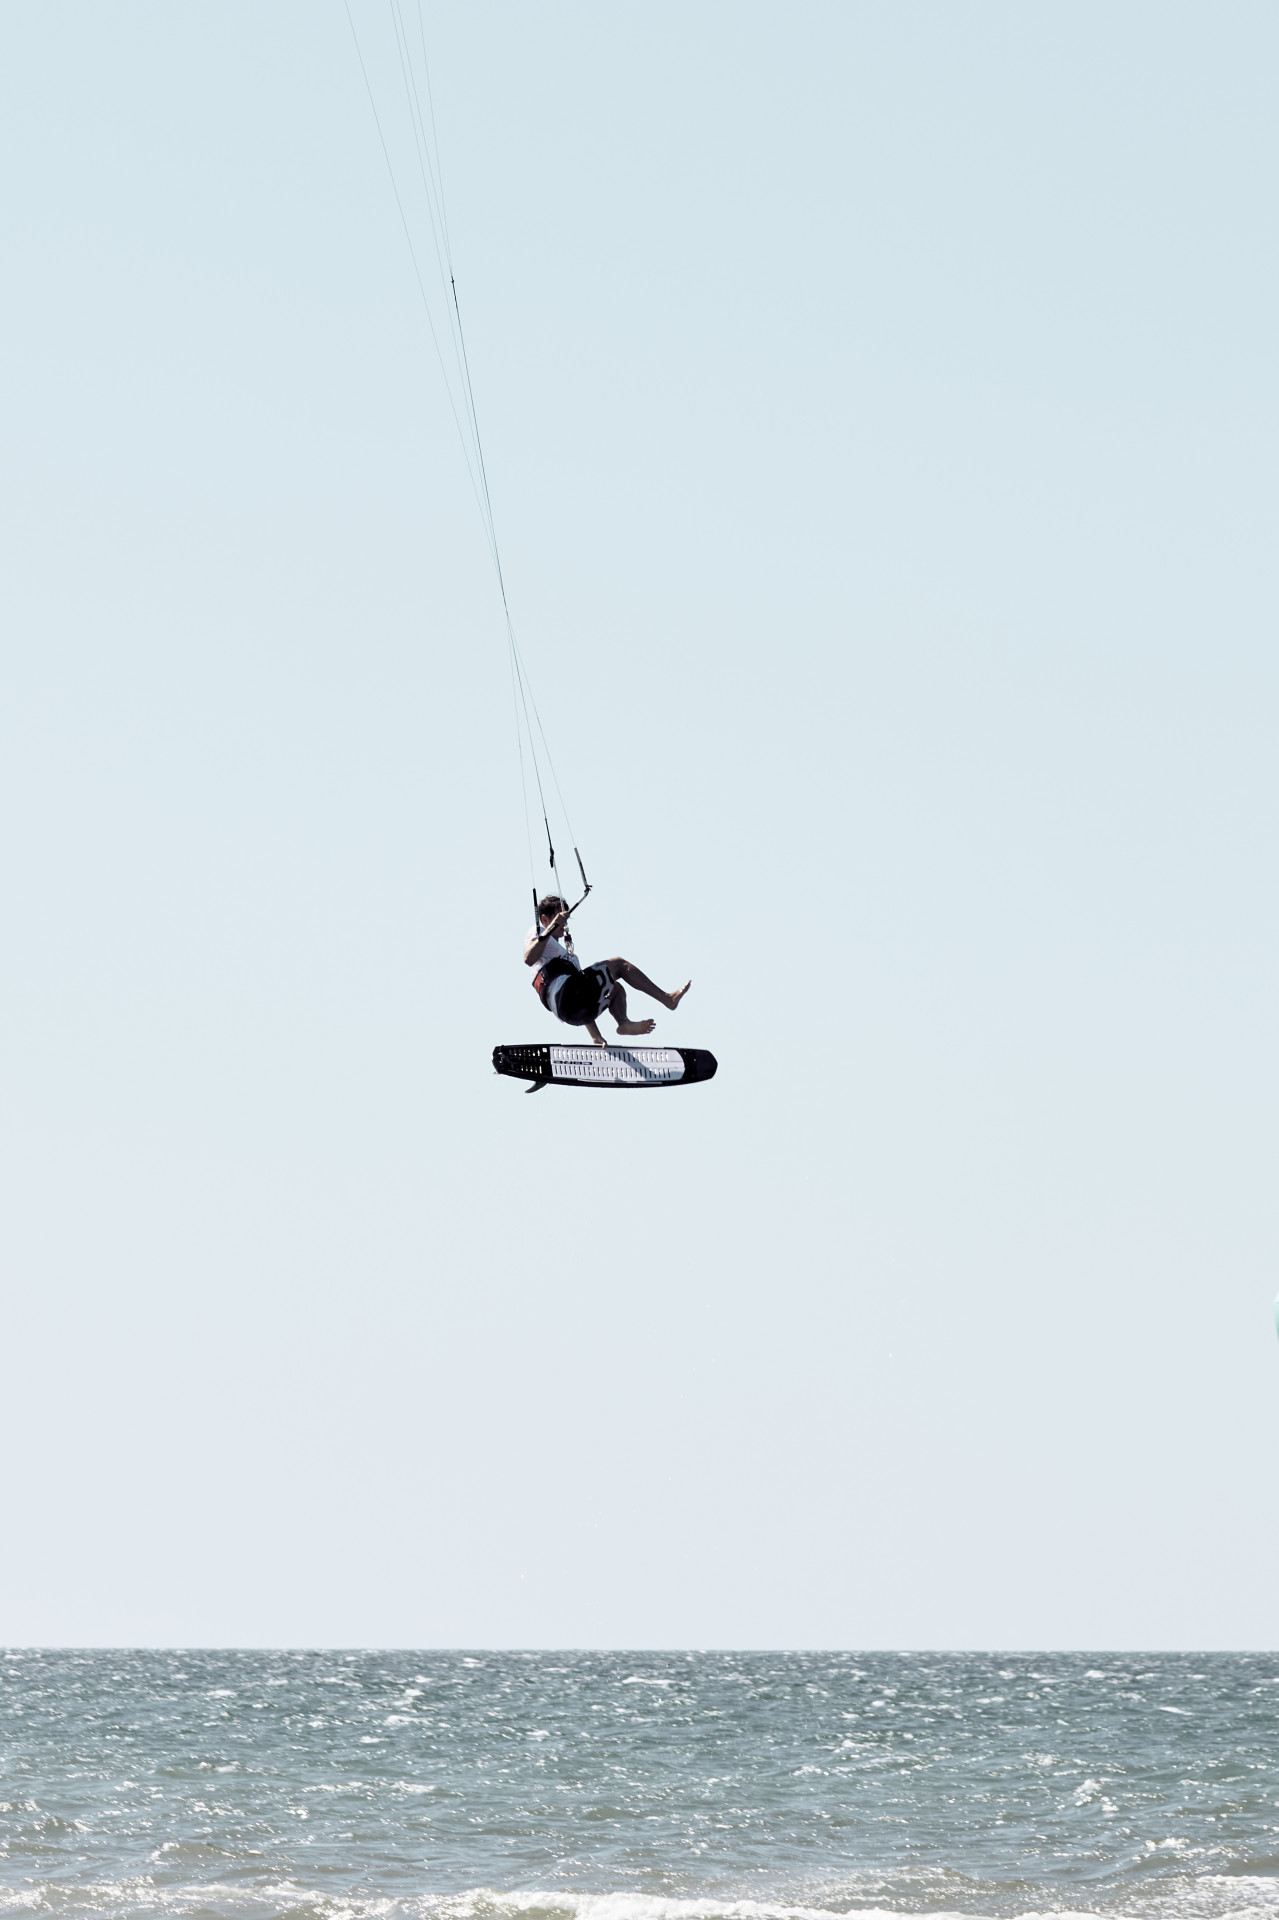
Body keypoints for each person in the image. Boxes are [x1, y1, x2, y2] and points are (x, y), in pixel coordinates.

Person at [523, 895, 690, 1047]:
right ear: (544, 919)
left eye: (565, 918)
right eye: (559, 917)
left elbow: (582, 997)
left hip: (573, 1012)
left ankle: (623, 1022)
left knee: (615, 988)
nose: (564, 923)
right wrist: (551, 927)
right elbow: (528, 958)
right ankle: (667, 999)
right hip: (564, 997)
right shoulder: (538, 932)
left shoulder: (570, 958)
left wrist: (596, 1036)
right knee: (619, 965)